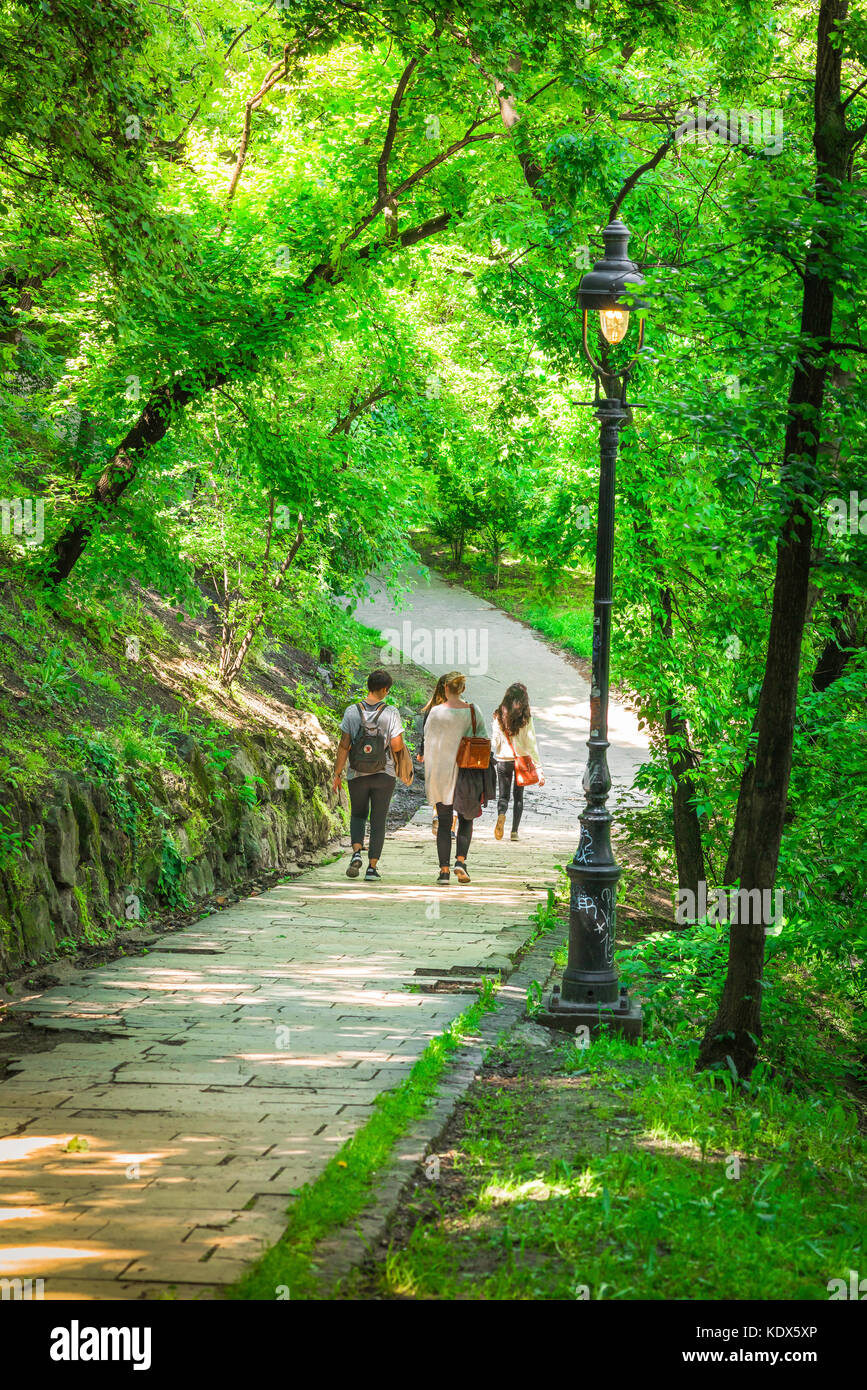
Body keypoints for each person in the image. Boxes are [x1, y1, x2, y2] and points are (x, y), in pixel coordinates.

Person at [332, 669, 406, 881]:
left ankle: (356, 853)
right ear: (384, 689)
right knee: (378, 819)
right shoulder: (391, 713)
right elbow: (397, 744)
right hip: (384, 773)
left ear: (368, 686)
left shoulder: (351, 712)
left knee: (358, 814)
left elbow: (344, 745)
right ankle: (372, 868)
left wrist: (337, 773)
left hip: (357, 773)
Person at [420, 671, 487, 885]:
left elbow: (428, 745)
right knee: (466, 819)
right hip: (467, 774)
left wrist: (430, 777)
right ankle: (460, 861)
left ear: (445, 688)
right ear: (463, 689)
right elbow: (483, 740)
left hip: (441, 774)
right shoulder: (473, 711)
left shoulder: (436, 713)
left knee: (445, 822)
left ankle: (444, 872)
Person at [490, 682, 545, 841]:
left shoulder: (499, 714)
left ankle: (501, 815)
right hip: (521, 759)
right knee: (518, 796)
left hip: (503, 759)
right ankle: (514, 832)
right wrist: (538, 767)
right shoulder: (525, 718)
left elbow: (495, 740)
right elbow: (531, 743)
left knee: (504, 795)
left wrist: (502, 749)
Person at [418, 675, 455, 839]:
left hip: (434, 754)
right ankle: (452, 828)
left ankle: (436, 814)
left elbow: (425, 733)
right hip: (452, 755)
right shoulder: (457, 707)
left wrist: (421, 752)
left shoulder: (431, 707)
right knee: (452, 791)